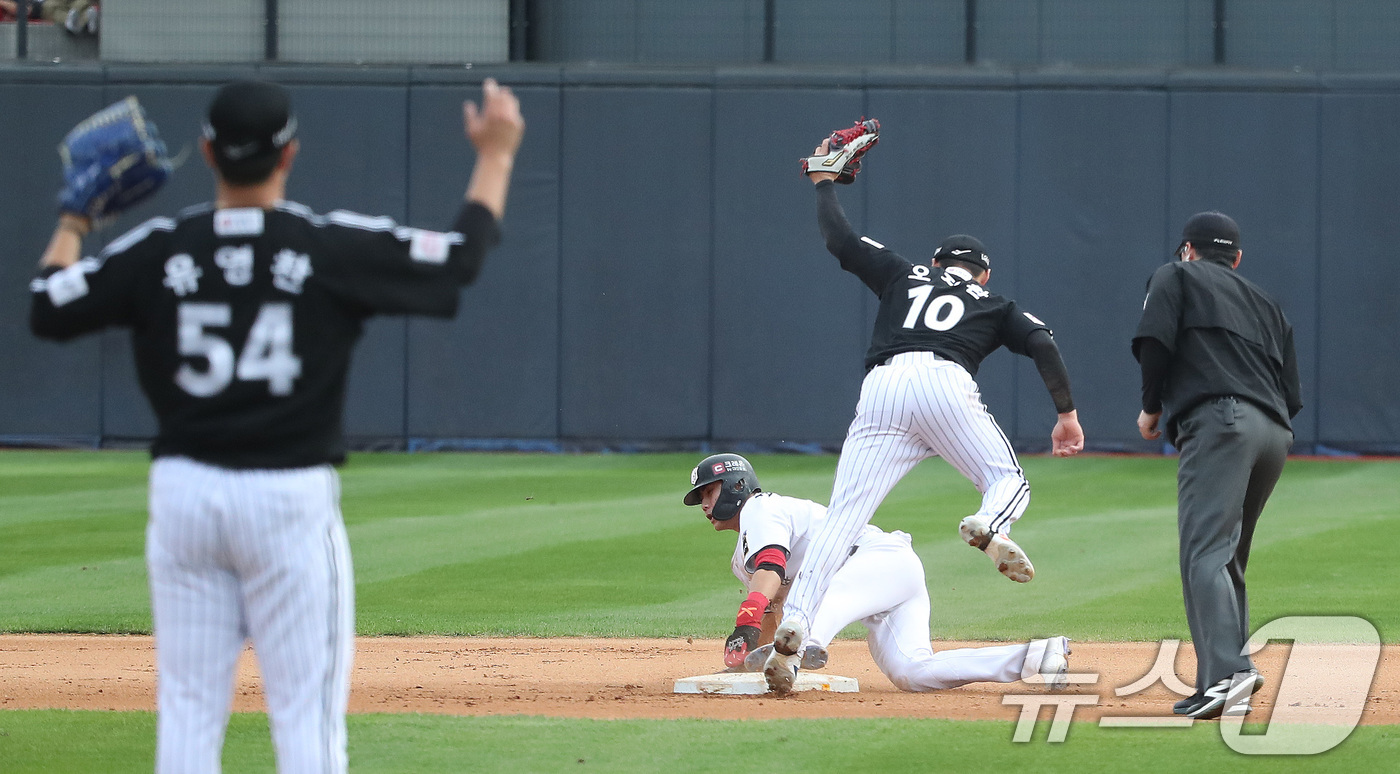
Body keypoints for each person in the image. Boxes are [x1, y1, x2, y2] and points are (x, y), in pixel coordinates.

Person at [29, 78, 524, 772]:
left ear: (205, 153)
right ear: (289, 154)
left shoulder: (161, 250)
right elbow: (460, 258)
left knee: (190, 716)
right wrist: (497, 153)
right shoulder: (324, 247)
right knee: (306, 721)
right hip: (287, 500)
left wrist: (74, 221)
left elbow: (48, 305)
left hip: (185, 499)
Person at [764, 131, 1085, 691]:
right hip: (945, 383)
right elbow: (1043, 343)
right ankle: (990, 522)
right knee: (1005, 479)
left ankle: (796, 622)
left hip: (883, 388)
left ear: (936, 262)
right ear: (982, 274)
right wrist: (1066, 413)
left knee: (842, 520)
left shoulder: (902, 271)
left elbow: (840, 241)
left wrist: (822, 183)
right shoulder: (994, 301)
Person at [683, 453, 1070, 694]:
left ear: (736, 486)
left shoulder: (761, 509)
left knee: (815, 603)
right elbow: (774, 612)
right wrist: (749, 661)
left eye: (708, 492)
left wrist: (746, 618)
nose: (703, 503)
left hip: (878, 561)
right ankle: (1037, 657)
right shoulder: (740, 558)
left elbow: (772, 567)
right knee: (912, 673)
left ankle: (804, 646)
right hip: (888, 584)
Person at [1133, 211, 1301, 720]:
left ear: (1187, 250)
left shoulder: (1175, 274)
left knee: (1204, 552)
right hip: (1274, 431)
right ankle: (1221, 681)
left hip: (1221, 420)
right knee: (1228, 557)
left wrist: (1151, 406)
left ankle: (1230, 673)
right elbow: (1292, 389)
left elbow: (1155, 341)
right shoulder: (1266, 302)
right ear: (1238, 258)